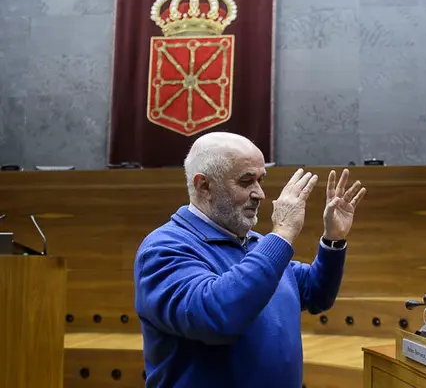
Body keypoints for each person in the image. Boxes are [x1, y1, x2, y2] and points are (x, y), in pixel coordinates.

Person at [133, 132, 366, 387]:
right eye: (246, 182)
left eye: (260, 180)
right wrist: (283, 233)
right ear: (203, 186)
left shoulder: (255, 242)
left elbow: (315, 292)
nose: (260, 194)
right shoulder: (164, 249)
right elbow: (217, 317)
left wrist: (333, 239)